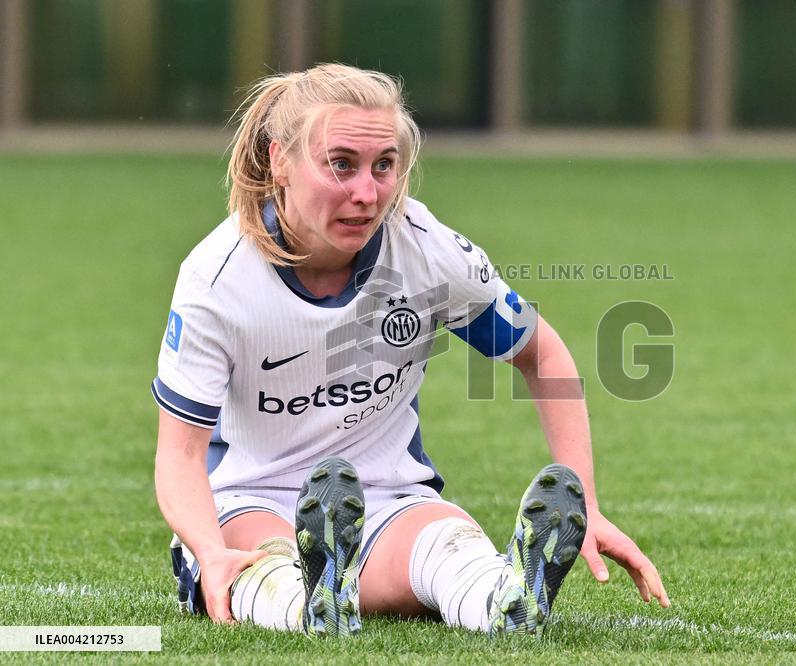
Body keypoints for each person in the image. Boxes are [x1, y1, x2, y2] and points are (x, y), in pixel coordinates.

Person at [152, 62, 669, 638]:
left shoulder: (425, 251)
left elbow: (540, 353)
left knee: (450, 547)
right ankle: (308, 604)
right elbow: (179, 456)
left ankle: (506, 600)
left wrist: (588, 504)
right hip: (249, 500)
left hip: (388, 496)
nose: (367, 194)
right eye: (341, 164)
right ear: (280, 161)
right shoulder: (217, 278)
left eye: (384, 166)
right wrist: (208, 550)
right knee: (264, 561)